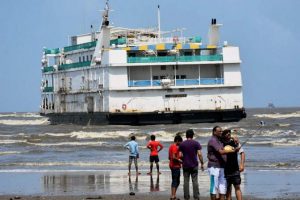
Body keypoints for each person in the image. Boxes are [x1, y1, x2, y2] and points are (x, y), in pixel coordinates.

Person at [207, 126, 238, 200]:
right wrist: (233, 150)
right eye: (219, 131)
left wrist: (233, 138)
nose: (221, 132)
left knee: (223, 187)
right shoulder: (213, 140)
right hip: (214, 167)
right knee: (214, 187)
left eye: (221, 131)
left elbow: (227, 137)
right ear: (214, 132)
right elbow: (221, 152)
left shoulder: (220, 140)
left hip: (222, 166)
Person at [179, 129, 204, 200]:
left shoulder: (182, 144)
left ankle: (186, 197)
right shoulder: (196, 143)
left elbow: (180, 155)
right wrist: (202, 163)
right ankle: (196, 197)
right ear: (192, 135)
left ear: (186, 135)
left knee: (186, 181)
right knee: (195, 181)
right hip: (194, 164)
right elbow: (199, 154)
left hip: (185, 165)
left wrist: (183, 160)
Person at [222, 129, 245, 200]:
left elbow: (242, 153)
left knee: (237, 187)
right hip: (225, 169)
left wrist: (242, 164)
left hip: (235, 168)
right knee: (228, 189)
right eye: (226, 133)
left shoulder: (235, 142)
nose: (228, 134)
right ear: (223, 135)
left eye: (229, 133)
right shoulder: (221, 143)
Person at [169, 135, 183, 200]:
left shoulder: (171, 146)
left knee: (176, 180)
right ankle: (173, 196)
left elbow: (170, 157)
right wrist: (179, 160)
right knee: (176, 181)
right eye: (180, 142)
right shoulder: (174, 147)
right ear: (177, 141)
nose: (181, 143)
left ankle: (173, 195)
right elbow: (174, 157)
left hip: (172, 165)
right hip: (175, 166)